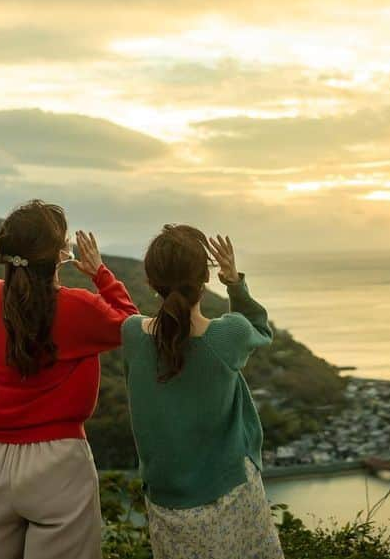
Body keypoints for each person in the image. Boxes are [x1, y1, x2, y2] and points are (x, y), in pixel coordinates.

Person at [0, 200, 137, 559]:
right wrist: (100, 274)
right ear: (61, 254)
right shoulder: (81, 308)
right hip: (56, 461)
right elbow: (133, 326)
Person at [121, 225, 284, 559]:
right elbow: (260, 328)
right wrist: (234, 283)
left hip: (167, 501)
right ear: (204, 280)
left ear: (152, 282)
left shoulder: (133, 336)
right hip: (230, 488)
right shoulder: (228, 336)